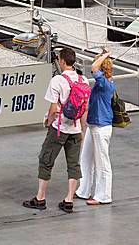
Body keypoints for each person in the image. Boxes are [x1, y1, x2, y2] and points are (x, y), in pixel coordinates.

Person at [23, 47, 89, 214]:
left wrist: (48, 121)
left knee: (46, 159)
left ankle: (40, 198)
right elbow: (84, 108)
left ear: (62, 61)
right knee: (73, 164)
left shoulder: (57, 80)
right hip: (75, 128)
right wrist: (82, 129)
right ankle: (69, 200)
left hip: (59, 128)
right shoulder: (83, 80)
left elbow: (53, 109)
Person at [75, 50, 115, 206]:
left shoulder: (104, 83)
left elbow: (94, 67)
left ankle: (103, 195)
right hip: (94, 125)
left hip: (100, 127)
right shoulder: (104, 83)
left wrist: (105, 55)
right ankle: (83, 190)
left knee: (102, 163)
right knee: (86, 159)